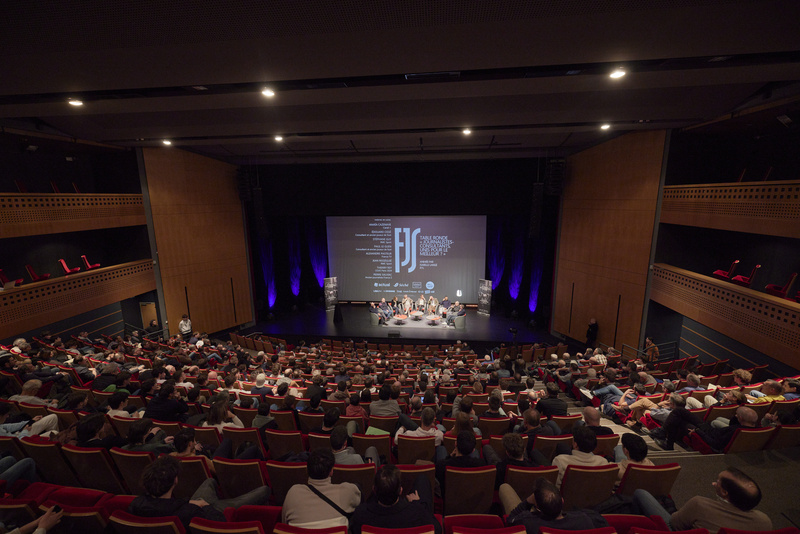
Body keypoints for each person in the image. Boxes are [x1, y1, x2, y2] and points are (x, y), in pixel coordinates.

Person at [128, 455, 270, 529]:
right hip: (208, 511)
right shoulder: (188, 512)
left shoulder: (136, 504)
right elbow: (220, 522)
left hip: (190, 504)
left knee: (209, 481)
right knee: (264, 490)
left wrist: (188, 502)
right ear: (175, 481)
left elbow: (168, 505)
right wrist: (204, 505)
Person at [633, 467, 772, 532]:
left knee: (641, 493)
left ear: (724, 492)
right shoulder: (765, 521)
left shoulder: (700, 504)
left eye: (717, 481)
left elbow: (675, 524)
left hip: (673, 528)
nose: (714, 483)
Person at [349, 464, 441, 534]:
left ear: (374, 490)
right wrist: (417, 503)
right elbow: (437, 529)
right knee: (422, 479)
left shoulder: (361, 513)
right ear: (401, 491)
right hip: (408, 510)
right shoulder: (417, 512)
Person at [281, 448, 361, 528]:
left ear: (307, 470)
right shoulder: (348, 491)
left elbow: (284, 524)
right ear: (331, 471)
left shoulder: (293, 493)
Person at [501, 477, 608, 533]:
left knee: (504, 487)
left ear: (537, 508)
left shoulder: (527, 522)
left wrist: (527, 502)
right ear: (562, 501)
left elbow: (510, 520)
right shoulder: (586, 520)